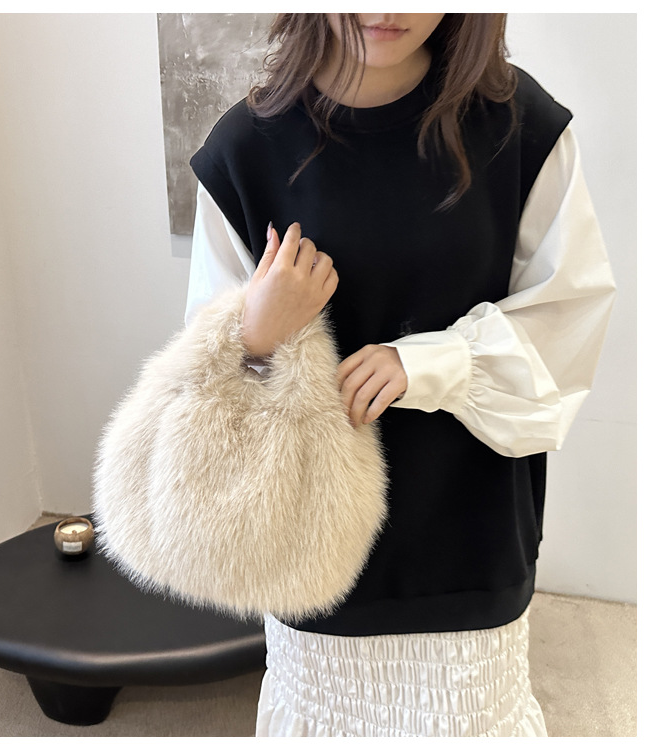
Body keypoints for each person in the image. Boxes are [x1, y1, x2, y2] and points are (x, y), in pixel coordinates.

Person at [184, 13, 616, 737]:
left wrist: (432, 364)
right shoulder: (244, 151)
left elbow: (568, 319)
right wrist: (255, 330)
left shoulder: (518, 125)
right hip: (312, 548)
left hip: (470, 536)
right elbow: (204, 395)